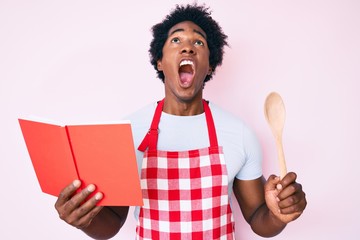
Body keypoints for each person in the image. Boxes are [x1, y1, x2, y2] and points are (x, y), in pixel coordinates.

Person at [55, 4, 307, 239]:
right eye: (176, 40)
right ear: (160, 61)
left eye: (198, 41)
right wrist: (83, 219)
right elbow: (112, 223)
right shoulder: (127, 132)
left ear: (209, 65)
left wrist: (278, 215)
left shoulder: (239, 133)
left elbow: (257, 217)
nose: (187, 47)